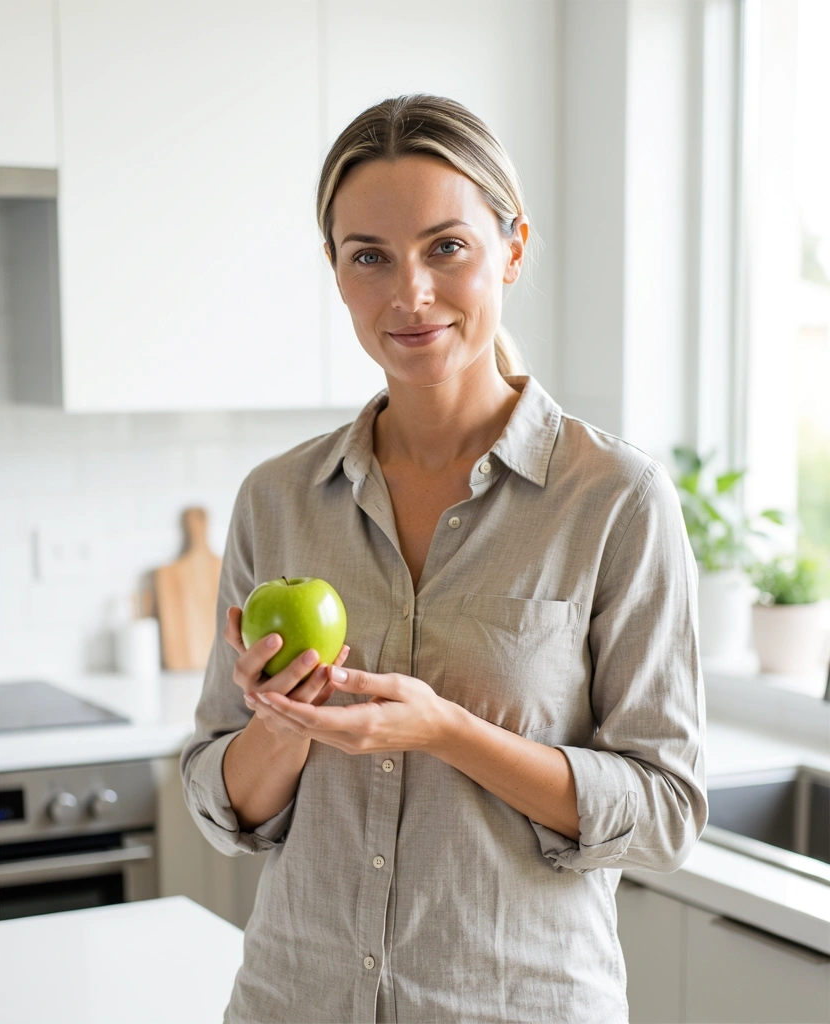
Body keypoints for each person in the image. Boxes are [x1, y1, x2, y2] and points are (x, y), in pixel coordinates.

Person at [181, 94, 707, 1024]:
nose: (408, 293)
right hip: (296, 1000)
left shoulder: (614, 499)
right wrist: (283, 722)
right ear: (338, 274)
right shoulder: (278, 499)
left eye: (446, 247)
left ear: (511, 247)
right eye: (369, 256)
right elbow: (223, 803)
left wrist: (446, 732)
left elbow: (664, 810)